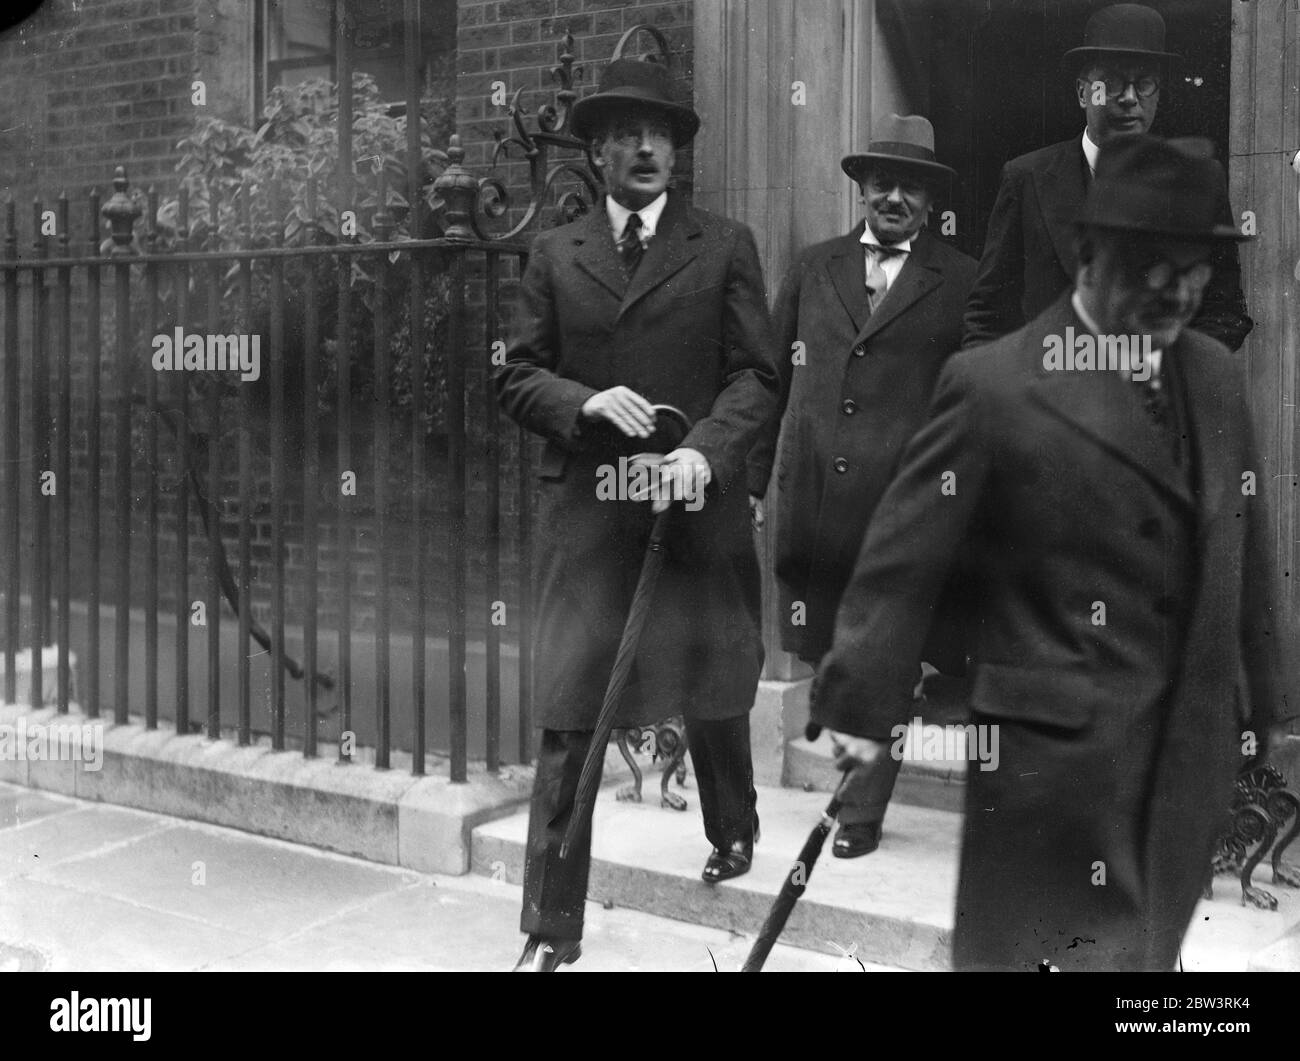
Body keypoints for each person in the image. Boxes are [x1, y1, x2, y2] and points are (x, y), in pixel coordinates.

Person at [812, 134, 1297, 971]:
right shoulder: (995, 382)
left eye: (1195, 267)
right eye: (1155, 266)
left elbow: (1246, 554)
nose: (1181, 290)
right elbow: (903, 559)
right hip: (1049, 772)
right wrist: (858, 710)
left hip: (1181, 764)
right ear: (1089, 254)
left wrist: (1274, 717)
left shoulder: (1215, 376)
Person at [496, 57, 780, 972]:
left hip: (693, 515)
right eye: (626, 132)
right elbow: (513, 373)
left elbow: (757, 374)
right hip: (590, 524)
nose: (646, 147)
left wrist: (703, 449)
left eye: (661, 132)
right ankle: (550, 928)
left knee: (716, 684)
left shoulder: (724, 244)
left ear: (679, 150)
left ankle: (732, 825)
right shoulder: (554, 251)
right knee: (571, 711)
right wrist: (580, 402)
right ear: (598, 149)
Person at [747, 115, 976, 858]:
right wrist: (751, 482)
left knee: (888, 659)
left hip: (903, 512)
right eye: (883, 182)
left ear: (929, 199)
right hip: (817, 503)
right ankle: (856, 760)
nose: (894, 196)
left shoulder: (962, 280)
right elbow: (768, 379)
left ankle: (859, 809)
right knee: (828, 651)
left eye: (911, 185)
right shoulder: (815, 268)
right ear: (862, 188)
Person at [962, 3, 1252, 351]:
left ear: (1157, 95)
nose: (1129, 98)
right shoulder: (1027, 177)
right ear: (1083, 92)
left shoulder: (1198, 179)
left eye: (1144, 83)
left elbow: (1226, 312)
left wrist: (1160, 372)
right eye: (1112, 83)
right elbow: (988, 314)